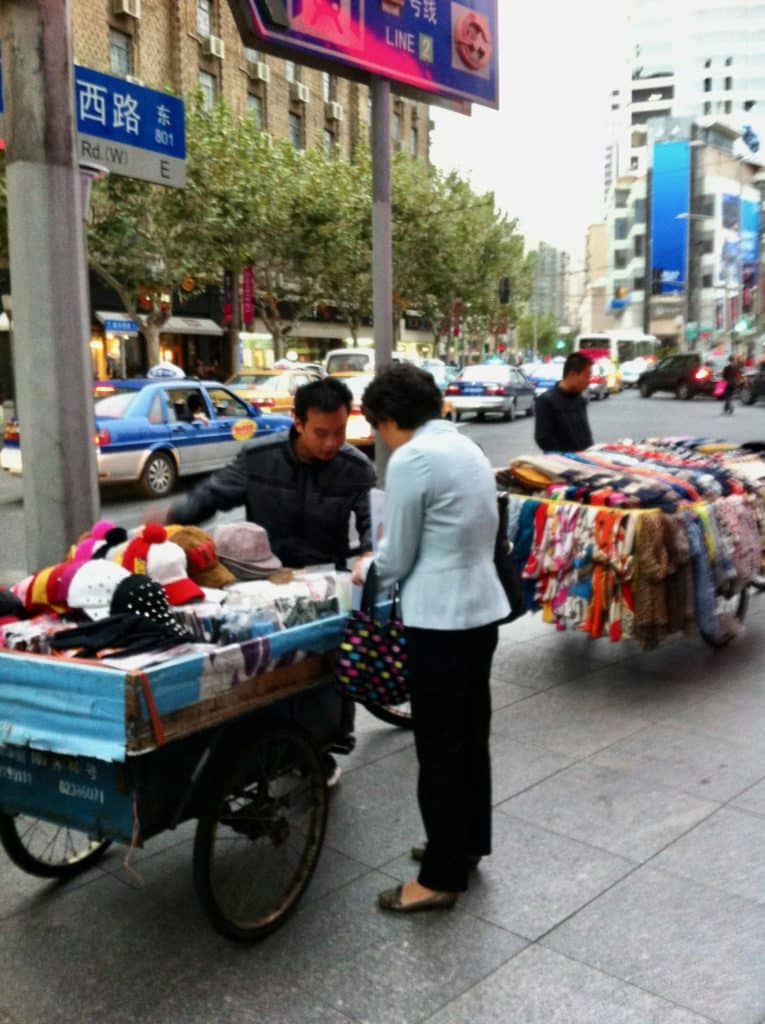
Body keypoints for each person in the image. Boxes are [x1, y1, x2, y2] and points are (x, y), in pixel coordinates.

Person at [165, 376, 376, 787]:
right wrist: (173, 517)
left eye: (339, 432)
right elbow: (213, 494)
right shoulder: (260, 457)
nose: (331, 443)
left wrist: (370, 551)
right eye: (321, 433)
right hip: (260, 579)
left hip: (321, 582)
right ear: (297, 422)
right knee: (264, 674)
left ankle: (319, 749)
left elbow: (372, 521)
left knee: (320, 672)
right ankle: (266, 748)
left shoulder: (355, 468)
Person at [352, 364, 509, 913]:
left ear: (390, 419)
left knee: (439, 748)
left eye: (378, 428)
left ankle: (439, 878)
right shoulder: (467, 448)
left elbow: (397, 556)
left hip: (439, 622)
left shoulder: (412, 459)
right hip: (481, 613)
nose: (380, 439)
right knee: (470, 737)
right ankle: (464, 844)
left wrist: (367, 567)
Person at [534, 351, 594, 453]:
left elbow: (585, 436)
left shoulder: (580, 400)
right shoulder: (546, 401)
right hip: (560, 464)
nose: (589, 381)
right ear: (572, 375)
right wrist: (568, 456)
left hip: (585, 461)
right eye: (587, 376)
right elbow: (543, 439)